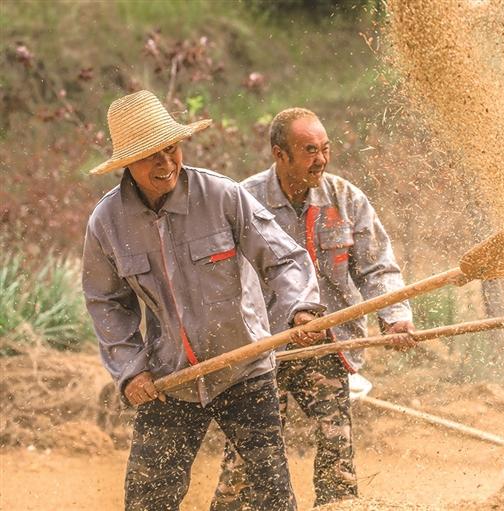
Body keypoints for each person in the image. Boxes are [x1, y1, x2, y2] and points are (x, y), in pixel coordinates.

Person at [82, 90, 326, 511]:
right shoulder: (107, 222)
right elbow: (106, 303)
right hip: (167, 379)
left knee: (272, 496)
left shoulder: (221, 195)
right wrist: (130, 370)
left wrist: (300, 307)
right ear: (127, 164)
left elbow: (283, 259)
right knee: (147, 501)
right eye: (151, 156)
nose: (166, 164)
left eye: (171, 149)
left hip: (243, 368)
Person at [211, 108, 415, 508]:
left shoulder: (346, 200)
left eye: (325, 149)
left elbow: (377, 266)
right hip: (264, 350)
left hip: (328, 347)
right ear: (279, 154)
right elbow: (219, 280)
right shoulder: (242, 201)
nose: (320, 159)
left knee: (337, 446)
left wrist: (395, 318)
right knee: (247, 457)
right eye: (308, 150)